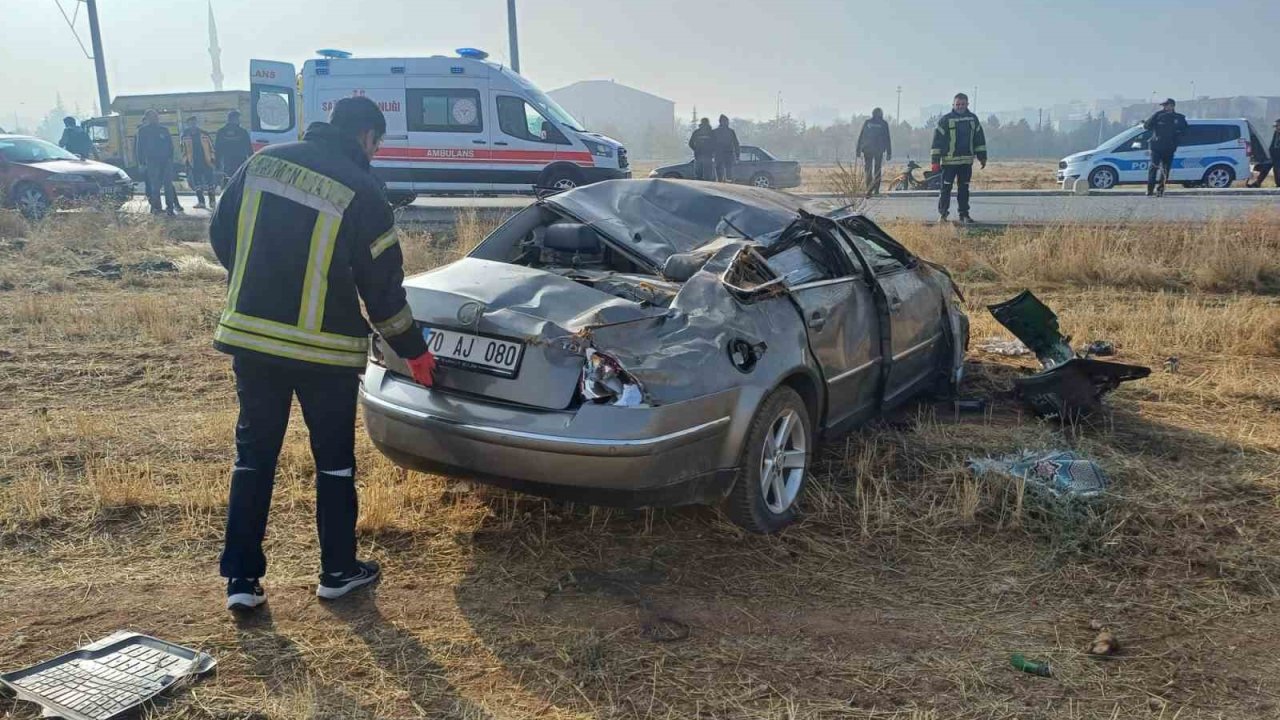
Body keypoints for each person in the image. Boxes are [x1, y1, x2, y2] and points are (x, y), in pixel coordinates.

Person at [210, 96, 438, 612]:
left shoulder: (262, 161)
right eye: (377, 145)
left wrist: (257, 284)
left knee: (253, 458)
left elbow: (222, 233)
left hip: (253, 338)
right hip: (325, 352)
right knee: (334, 464)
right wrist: (415, 353)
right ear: (367, 137)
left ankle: (241, 583)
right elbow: (383, 291)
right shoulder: (364, 190)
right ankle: (338, 571)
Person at [931, 93, 987, 223]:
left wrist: (982, 157)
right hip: (948, 163)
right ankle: (943, 215)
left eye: (962, 104)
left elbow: (979, 139)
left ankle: (964, 215)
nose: (960, 106)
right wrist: (935, 162)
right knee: (945, 189)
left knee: (964, 190)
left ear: (967, 104)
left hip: (966, 163)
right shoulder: (945, 120)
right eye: (957, 104)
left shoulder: (973, 119)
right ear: (953, 105)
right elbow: (936, 142)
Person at [136, 110, 181, 216]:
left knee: (168, 185)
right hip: (152, 162)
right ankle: (155, 208)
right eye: (151, 116)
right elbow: (139, 148)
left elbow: (170, 146)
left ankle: (170, 208)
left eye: (156, 116)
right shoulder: (143, 131)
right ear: (147, 118)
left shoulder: (164, 130)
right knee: (155, 186)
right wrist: (141, 162)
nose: (154, 118)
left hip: (166, 161)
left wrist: (170, 159)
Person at [1143, 98, 1188, 197]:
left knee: (1165, 170)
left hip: (1169, 147)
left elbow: (1185, 131)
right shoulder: (1158, 115)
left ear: (1172, 106)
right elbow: (1146, 126)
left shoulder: (1179, 118)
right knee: (1153, 167)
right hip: (1156, 147)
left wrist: (1176, 138)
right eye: (1163, 105)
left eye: (1166, 105)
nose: (1164, 107)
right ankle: (1150, 190)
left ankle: (1160, 190)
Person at [181, 115, 218, 210]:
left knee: (210, 182)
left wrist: (213, 158)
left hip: (206, 160)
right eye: (190, 123)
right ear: (188, 125)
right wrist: (186, 161)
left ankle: (212, 201)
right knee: (197, 183)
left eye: (194, 123)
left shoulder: (204, 133)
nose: (192, 125)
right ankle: (201, 202)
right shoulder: (185, 135)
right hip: (194, 162)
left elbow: (211, 147)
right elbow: (183, 150)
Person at [856, 107, 893, 197]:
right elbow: (887, 139)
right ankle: (876, 189)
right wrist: (889, 152)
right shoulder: (884, 124)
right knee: (877, 169)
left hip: (867, 149)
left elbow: (861, 136)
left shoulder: (868, 122)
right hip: (878, 150)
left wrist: (858, 149)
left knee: (868, 169)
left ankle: (869, 189)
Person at [214, 110, 253, 181]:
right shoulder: (242, 132)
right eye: (237, 118)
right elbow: (249, 148)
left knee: (228, 179)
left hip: (227, 161)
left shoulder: (221, 132)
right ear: (232, 119)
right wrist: (251, 161)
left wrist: (217, 164)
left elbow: (217, 150)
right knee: (239, 179)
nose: (239, 120)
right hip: (239, 160)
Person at [1246, 119, 1280, 188]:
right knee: (1265, 168)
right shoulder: (1276, 133)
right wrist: (1268, 153)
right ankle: (1257, 184)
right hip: (1273, 154)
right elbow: (1272, 144)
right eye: (1275, 126)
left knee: (1277, 170)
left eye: (1277, 126)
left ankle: (1278, 185)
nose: (1276, 128)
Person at [712, 115, 740, 183]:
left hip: (719, 154)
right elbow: (736, 144)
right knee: (728, 169)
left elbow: (711, 144)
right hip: (728, 154)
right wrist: (737, 155)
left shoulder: (715, 132)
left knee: (719, 169)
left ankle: (720, 182)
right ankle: (728, 182)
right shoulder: (731, 131)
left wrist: (712, 153)